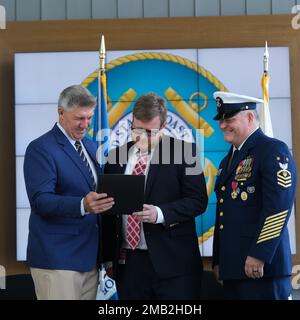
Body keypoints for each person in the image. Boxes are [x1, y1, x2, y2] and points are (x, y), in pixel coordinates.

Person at [102, 93, 208, 300]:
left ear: (164, 126)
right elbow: (108, 212)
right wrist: (107, 259)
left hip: (174, 265)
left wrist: (160, 214)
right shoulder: (116, 157)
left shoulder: (185, 152)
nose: (141, 138)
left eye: (150, 133)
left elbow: (198, 201)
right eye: (137, 130)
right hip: (129, 264)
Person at [23, 85, 114, 300]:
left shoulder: (90, 146)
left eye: (89, 118)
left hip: (90, 260)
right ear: (61, 113)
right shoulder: (40, 148)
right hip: (58, 260)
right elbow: (40, 201)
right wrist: (82, 205)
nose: (86, 125)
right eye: (79, 118)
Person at [212, 91, 297, 300]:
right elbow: (224, 213)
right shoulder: (227, 161)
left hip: (262, 269)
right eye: (221, 120)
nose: (222, 125)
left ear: (250, 117)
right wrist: (219, 260)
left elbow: (278, 207)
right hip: (235, 269)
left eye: (229, 119)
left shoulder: (272, 150)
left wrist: (259, 254)